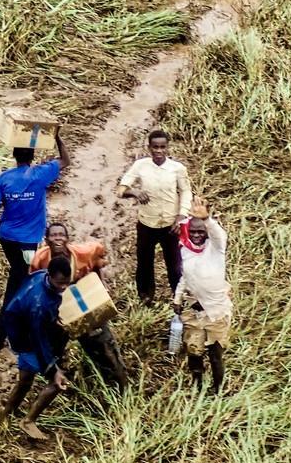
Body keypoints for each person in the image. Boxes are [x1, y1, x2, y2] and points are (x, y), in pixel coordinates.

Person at [0, 134, 70, 351]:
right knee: (18, 284)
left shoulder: (3, 178)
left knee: (20, 274)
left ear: (14, 155)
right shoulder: (40, 174)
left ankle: (11, 329)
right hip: (27, 242)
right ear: (33, 155)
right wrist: (57, 138)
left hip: (7, 238)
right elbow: (65, 160)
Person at [30, 222, 128, 388]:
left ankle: (119, 383)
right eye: (53, 235)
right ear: (46, 240)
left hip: (83, 301)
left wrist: (100, 282)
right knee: (53, 349)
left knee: (104, 345)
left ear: (68, 239)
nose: (57, 238)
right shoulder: (40, 259)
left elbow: (98, 252)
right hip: (57, 307)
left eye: (61, 235)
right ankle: (57, 379)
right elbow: (35, 287)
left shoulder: (83, 252)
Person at [0, 256, 74, 440]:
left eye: (67, 283)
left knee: (25, 379)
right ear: (50, 276)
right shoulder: (39, 306)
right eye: (60, 283)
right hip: (26, 338)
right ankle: (28, 420)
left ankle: (5, 416)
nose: (64, 287)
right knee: (57, 383)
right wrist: (53, 369)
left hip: (19, 327)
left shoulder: (40, 275)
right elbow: (39, 340)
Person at [117, 129, 193, 306]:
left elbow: (186, 191)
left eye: (162, 147)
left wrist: (181, 216)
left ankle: (178, 297)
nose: (159, 151)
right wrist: (134, 192)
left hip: (170, 225)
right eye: (155, 147)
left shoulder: (177, 169)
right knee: (144, 263)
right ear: (149, 147)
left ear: (167, 148)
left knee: (175, 265)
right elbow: (121, 190)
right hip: (146, 224)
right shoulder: (140, 166)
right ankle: (146, 297)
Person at [172, 197, 232, 394]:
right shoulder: (186, 250)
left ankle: (218, 390)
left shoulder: (215, 250)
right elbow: (185, 277)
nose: (197, 235)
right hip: (193, 311)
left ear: (206, 233)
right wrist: (177, 298)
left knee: (215, 354)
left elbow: (219, 236)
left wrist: (207, 219)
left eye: (201, 232)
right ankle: (197, 386)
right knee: (193, 351)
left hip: (216, 312)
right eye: (193, 232)